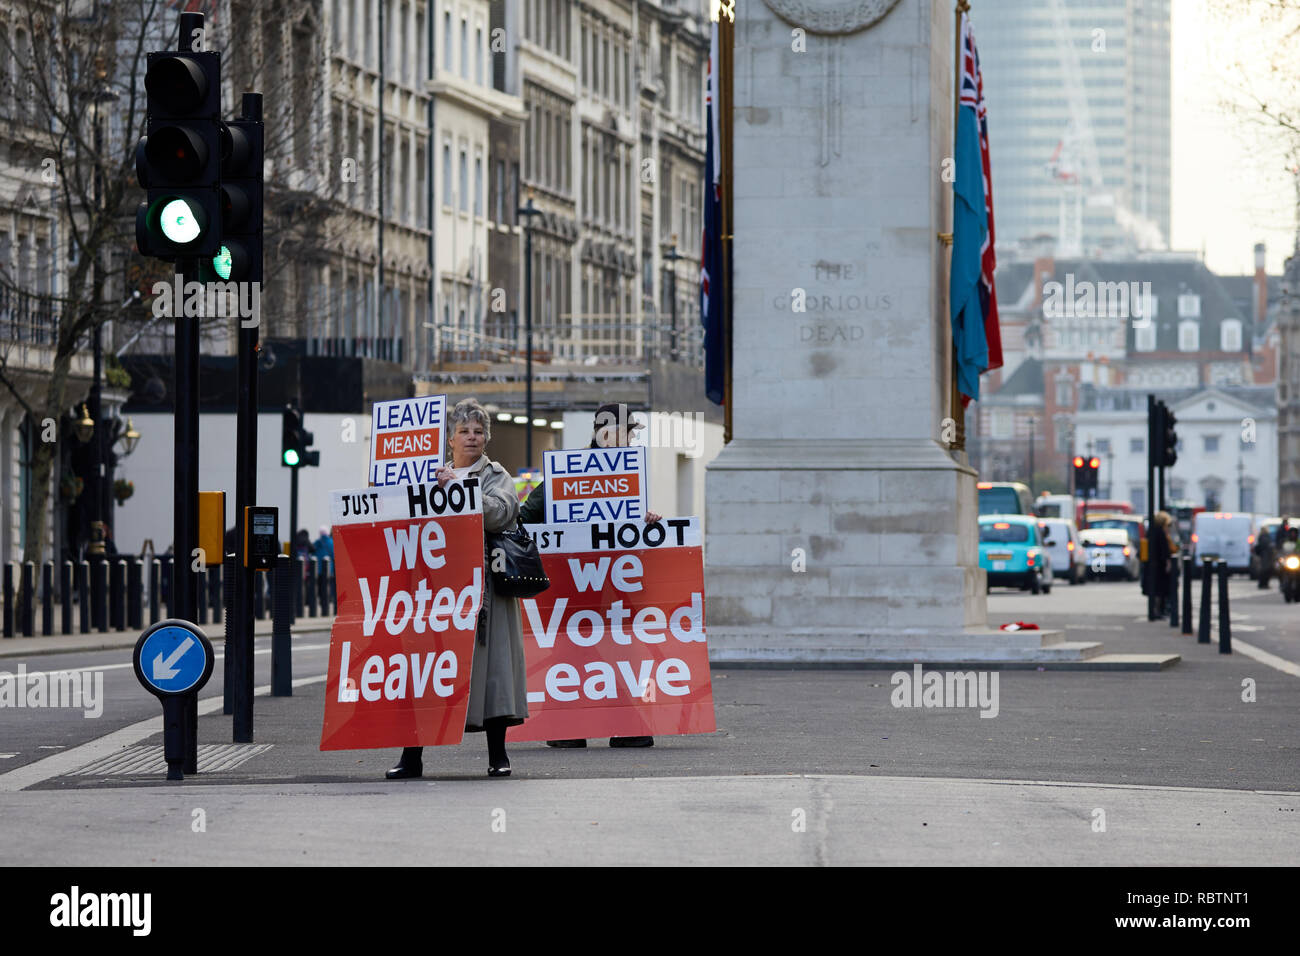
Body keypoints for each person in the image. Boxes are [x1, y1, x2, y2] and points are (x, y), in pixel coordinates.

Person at [387, 397, 528, 780]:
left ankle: (498, 755)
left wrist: (461, 491)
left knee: (493, 673)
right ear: (449, 439)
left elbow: (502, 513)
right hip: (436, 592)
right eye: (464, 431)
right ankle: (411, 756)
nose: (472, 437)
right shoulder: (426, 476)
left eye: (478, 431)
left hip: (485, 595)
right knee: (427, 671)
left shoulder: (496, 475)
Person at [520, 402, 662, 750]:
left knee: (605, 648)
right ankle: (596, 725)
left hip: (609, 576)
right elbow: (527, 516)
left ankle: (587, 726)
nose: (631, 439)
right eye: (628, 432)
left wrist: (646, 522)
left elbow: (527, 516)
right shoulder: (571, 468)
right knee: (584, 649)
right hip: (581, 577)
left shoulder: (625, 469)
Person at [1148, 511, 1172, 615]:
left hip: (1153, 564)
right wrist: (1168, 562)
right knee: (1160, 589)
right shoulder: (1161, 532)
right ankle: (1158, 611)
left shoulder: (1151, 531)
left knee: (1156, 589)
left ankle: (1155, 610)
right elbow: (1164, 550)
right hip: (1159, 565)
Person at [1255, 525, 1276, 589]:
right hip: (1266, 556)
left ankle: (1263, 584)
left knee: (1265, 570)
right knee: (1266, 570)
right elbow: (1267, 546)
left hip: (1264, 555)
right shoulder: (1264, 537)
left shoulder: (1261, 536)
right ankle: (1263, 584)